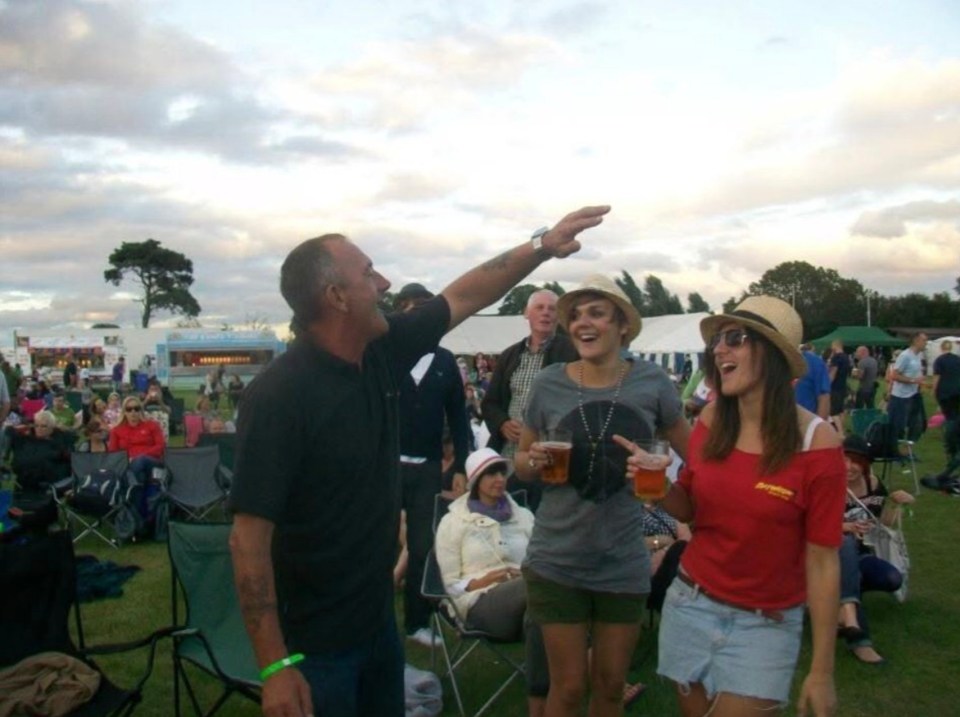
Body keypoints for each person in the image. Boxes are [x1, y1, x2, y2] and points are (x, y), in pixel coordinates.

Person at [228, 205, 610, 717]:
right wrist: (275, 667)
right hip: (313, 647)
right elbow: (247, 541)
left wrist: (541, 246)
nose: (384, 282)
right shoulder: (279, 396)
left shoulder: (380, 351)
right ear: (337, 297)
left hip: (375, 623)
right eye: (368, 274)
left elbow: (464, 294)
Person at [647, 295, 845, 717]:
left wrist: (822, 670)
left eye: (734, 339)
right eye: (718, 341)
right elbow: (689, 511)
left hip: (765, 623)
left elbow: (824, 562)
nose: (719, 350)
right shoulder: (712, 420)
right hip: (690, 602)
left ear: (772, 354)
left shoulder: (817, 445)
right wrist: (654, 485)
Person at [514, 275, 690, 717]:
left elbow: (697, 456)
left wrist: (664, 473)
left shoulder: (652, 382)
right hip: (557, 558)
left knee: (611, 687)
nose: (581, 323)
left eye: (596, 313)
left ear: (623, 326)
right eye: (575, 315)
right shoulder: (550, 383)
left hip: (622, 560)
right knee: (569, 687)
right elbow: (519, 462)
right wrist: (532, 460)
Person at [434, 447, 542, 714]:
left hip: (529, 600)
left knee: (541, 612)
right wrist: (481, 581)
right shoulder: (453, 523)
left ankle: (541, 699)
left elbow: (542, 558)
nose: (499, 479)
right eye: (490, 474)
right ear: (475, 482)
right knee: (548, 586)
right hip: (479, 605)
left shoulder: (524, 517)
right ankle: (599, 674)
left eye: (501, 472)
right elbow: (448, 585)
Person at [393, 282, 471, 648]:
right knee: (374, 543)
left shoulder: (444, 362)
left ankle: (417, 623)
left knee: (423, 546)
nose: (419, 315)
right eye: (412, 308)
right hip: (384, 466)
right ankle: (369, 621)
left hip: (426, 467)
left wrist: (461, 465)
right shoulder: (385, 356)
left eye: (426, 308)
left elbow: (458, 416)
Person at [481, 289, 578, 512]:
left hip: (547, 456)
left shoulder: (571, 352)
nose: (546, 313)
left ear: (559, 316)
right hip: (509, 454)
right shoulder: (509, 355)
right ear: (526, 313)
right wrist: (503, 423)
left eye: (552, 309)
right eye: (539, 307)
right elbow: (490, 403)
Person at [837, 435, 914, 665]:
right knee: (846, 544)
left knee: (892, 579)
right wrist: (845, 526)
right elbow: (811, 523)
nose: (850, 467)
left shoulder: (873, 484)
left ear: (865, 463)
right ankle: (860, 640)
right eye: (845, 460)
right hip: (828, 554)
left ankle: (836, 605)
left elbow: (882, 524)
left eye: (857, 461)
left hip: (863, 554)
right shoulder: (827, 484)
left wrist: (898, 504)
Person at [108, 395, 165, 519]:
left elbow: (160, 446)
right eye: (129, 409)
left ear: (141, 410)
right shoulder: (116, 431)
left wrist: (139, 457)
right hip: (128, 465)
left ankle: (135, 516)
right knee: (139, 475)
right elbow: (113, 453)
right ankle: (142, 517)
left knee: (141, 461)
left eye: (136, 408)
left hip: (152, 462)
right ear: (124, 412)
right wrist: (129, 460)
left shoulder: (152, 425)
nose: (133, 412)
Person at [922, 340, 960, 493]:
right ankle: (949, 467)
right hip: (957, 395)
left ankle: (946, 471)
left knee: (952, 428)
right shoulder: (957, 359)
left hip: (946, 395)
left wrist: (934, 393)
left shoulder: (939, 360)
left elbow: (937, 379)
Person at [886, 332, 927, 448]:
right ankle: (894, 450)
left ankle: (908, 450)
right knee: (898, 426)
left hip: (914, 394)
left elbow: (917, 374)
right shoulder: (905, 356)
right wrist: (913, 381)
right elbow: (894, 375)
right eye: (924, 340)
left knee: (917, 425)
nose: (926, 343)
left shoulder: (919, 356)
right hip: (901, 396)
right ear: (916, 341)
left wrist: (920, 383)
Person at [794, 344, 830, 419]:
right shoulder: (769, 362)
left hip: (803, 423)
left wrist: (818, 426)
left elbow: (824, 397)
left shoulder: (814, 362)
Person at [828, 340, 851, 437]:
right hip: (843, 386)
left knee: (833, 412)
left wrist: (827, 385)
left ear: (835, 345)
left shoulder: (836, 358)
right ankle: (842, 430)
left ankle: (840, 433)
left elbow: (833, 373)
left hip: (835, 387)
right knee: (840, 410)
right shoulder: (846, 357)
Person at [853, 346, 879, 410]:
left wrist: (854, 374)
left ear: (863, 352)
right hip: (872, 387)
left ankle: (859, 419)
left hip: (863, 388)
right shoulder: (874, 361)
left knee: (859, 407)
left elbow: (860, 376)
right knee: (870, 406)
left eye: (857, 352)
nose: (856, 354)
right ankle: (871, 418)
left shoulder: (862, 362)